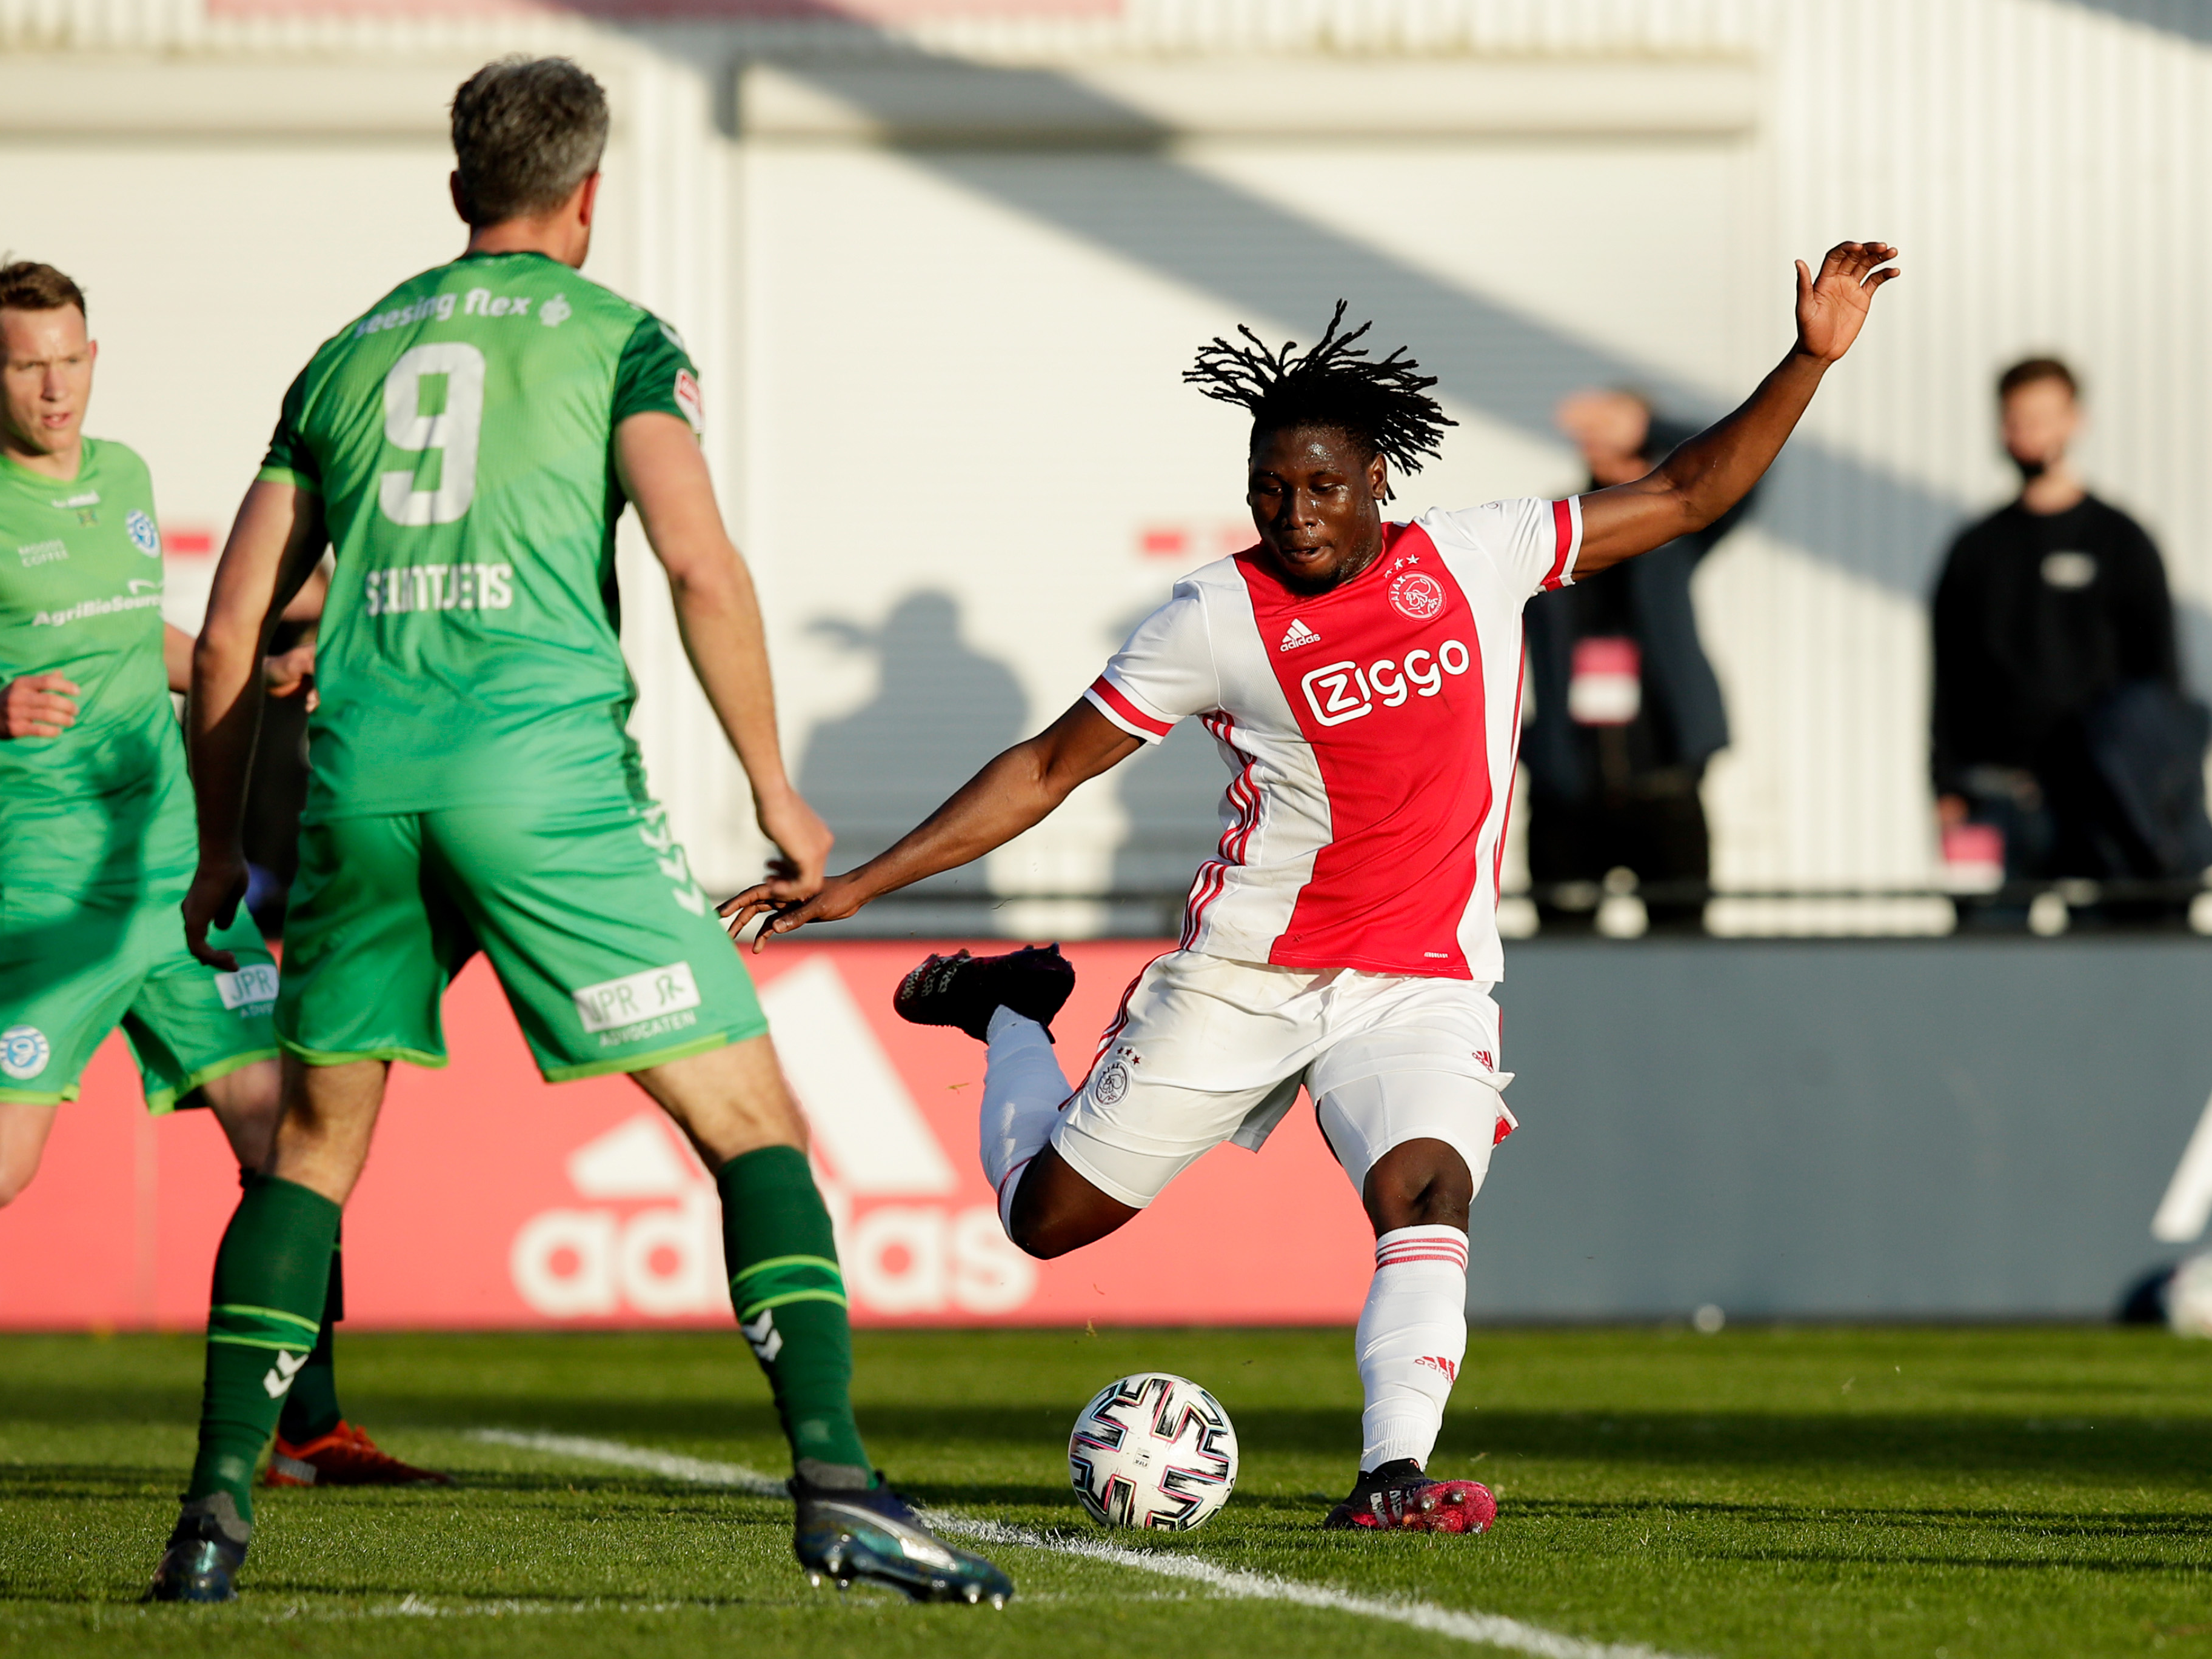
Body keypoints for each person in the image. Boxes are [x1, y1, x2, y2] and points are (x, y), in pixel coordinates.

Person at [726, 244, 1900, 1532]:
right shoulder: (1212, 616)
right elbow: (1048, 764)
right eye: (1268, 490)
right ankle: (1009, 1009)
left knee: (1425, 1193)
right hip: (1244, 976)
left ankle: (1389, 1472)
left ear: (1377, 480)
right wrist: (865, 883)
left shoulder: (1476, 554)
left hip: (1417, 977)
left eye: (1320, 488)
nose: (1292, 515)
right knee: (1043, 1220)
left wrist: (1809, 357)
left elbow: (1684, 492)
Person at [145, 57, 1011, 1609]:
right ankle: (831, 1480)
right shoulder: (619, 339)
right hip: (540, 783)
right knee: (754, 1125)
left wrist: (221, 844)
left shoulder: (344, 352)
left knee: (311, 1154)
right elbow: (696, 561)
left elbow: (225, 633)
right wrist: (773, 785)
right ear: (588, 195)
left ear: (459, 184)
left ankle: (211, 1516)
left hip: (357, 787)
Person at [0, 261, 438, 1492]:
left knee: (290, 1134)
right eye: (29, 364)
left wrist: (232, 670)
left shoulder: (126, 477)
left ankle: (312, 1424)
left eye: (73, 358)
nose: (56, 386)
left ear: (96, 352)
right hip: (47, 896)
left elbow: (123, 633)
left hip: (176, 885)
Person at [1931, 357, 2210, 928]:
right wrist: (1945, 791)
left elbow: (2161, 681)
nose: (2029, 434)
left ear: (2074, 421)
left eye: (2042, 417)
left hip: (2101, 801)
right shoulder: (1975, 551)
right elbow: (1947, 681)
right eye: (2015, 419)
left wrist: (2163, 798)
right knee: (1985, 967)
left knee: (2113, 968)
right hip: (1995, 801)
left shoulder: (2121, 542)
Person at [1524, 389, 1759, 935]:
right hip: (1570, 787)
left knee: (1683, 950)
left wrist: (1652, 427)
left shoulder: (1674, 527)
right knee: (1564, 953)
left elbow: (1744, 466)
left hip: (1666, 779)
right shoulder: (1549, 529)